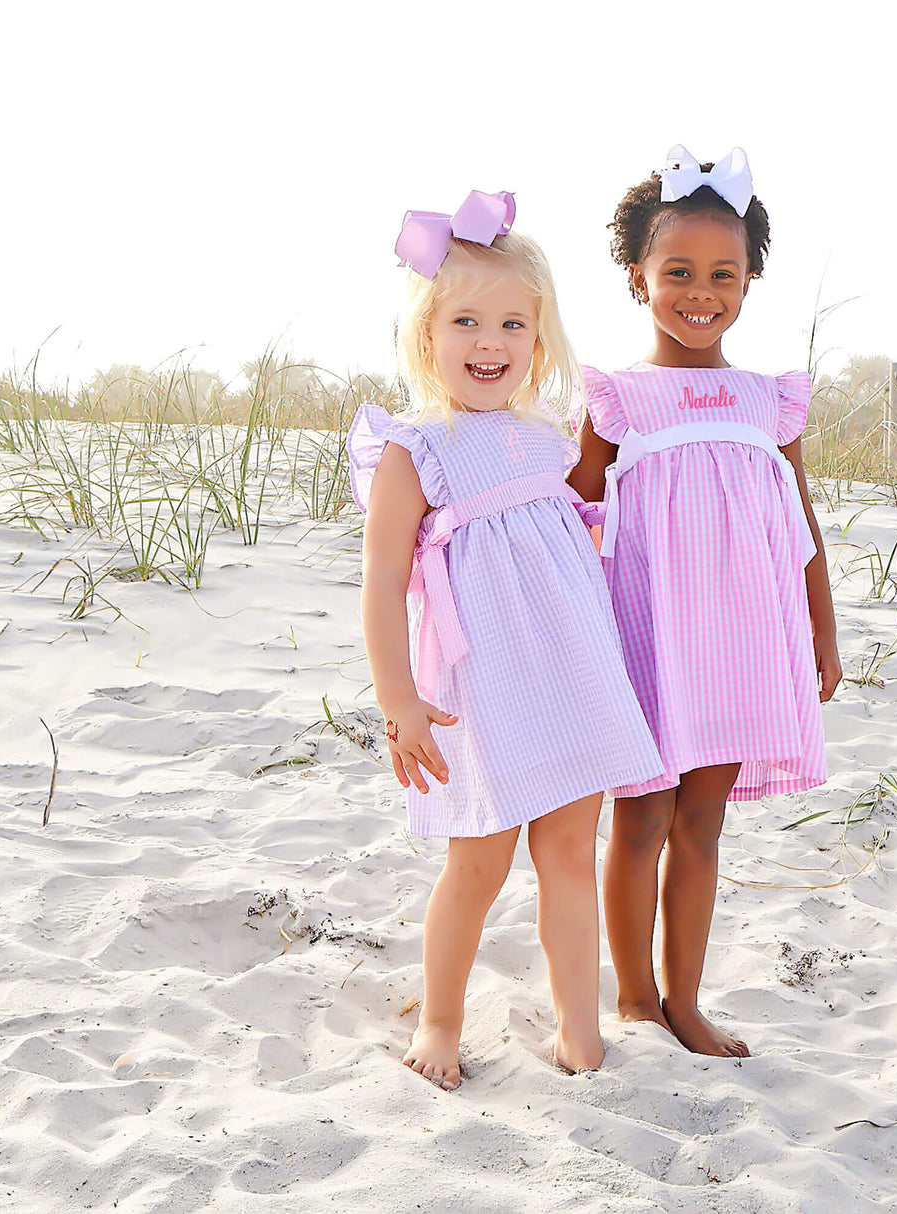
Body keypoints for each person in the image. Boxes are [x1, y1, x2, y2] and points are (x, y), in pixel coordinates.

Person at [348, 190, 662, 1089]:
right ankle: (440, 1023)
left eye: (512, 325)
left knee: (569, 854)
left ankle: (576, 1029)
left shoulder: (548, 438)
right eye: (467, 323)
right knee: (477, 861)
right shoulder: (417, 449)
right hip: (478, 684)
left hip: (568, 675)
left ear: (538, 336)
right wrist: (398, 698)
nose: (490, 344)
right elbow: (383, 583)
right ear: (427, 337)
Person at [567, 147, 842, 1058]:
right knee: (639, 815)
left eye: (723, 274)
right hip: (648, 637)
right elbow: (574, 518)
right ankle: (636, 999)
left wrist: (821, 631)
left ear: (751, 280)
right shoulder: (620, 399)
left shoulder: (770, 402)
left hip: (741, 641)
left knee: (703, 822)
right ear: (638, 276)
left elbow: (799, 524)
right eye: (677, 271)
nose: (700, 291)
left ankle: (685, 998)